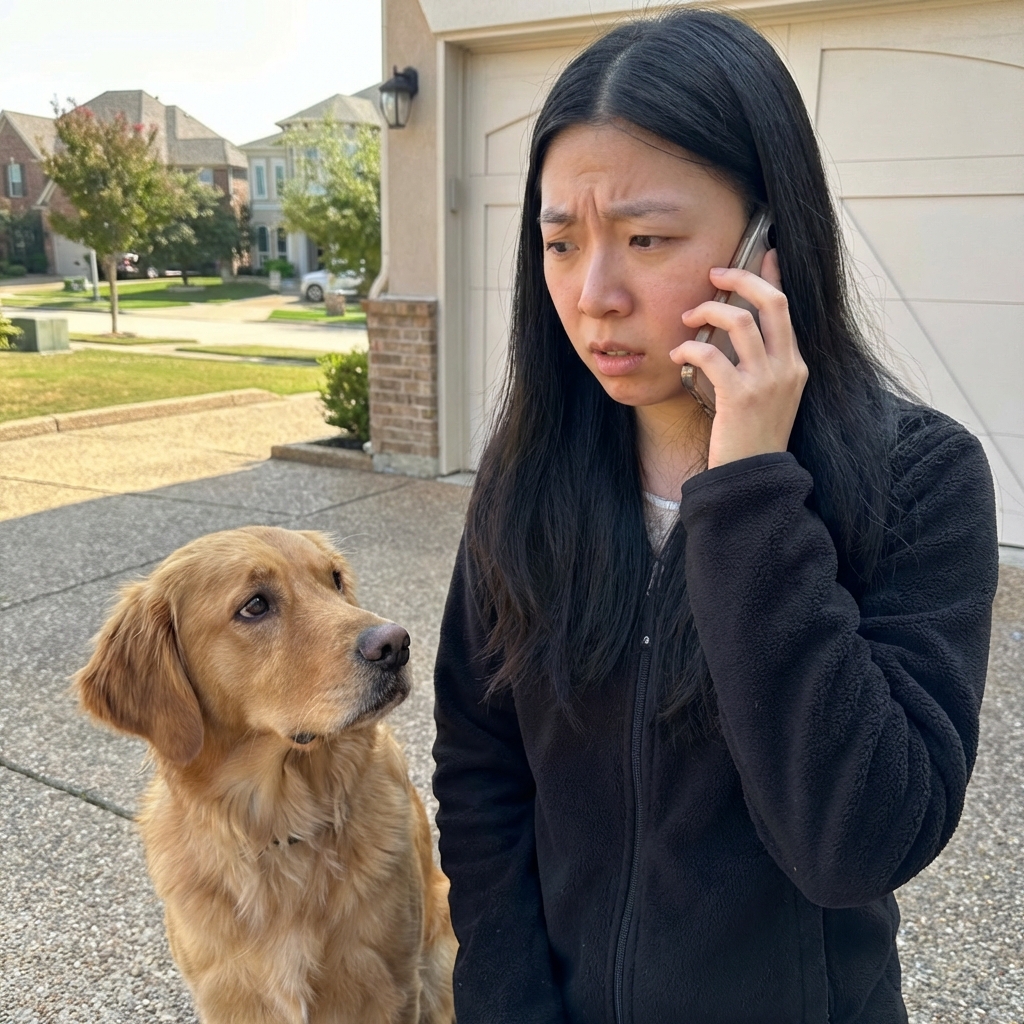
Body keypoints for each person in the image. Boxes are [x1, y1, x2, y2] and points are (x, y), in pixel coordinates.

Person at [431, 10, 999, 1024]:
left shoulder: (918, 478)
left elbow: (858, 840)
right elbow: (482, 768)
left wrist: (747, 491)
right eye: (560, 242)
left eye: (646, 239)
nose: (593, 294)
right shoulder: (528, 476)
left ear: (766, 241)